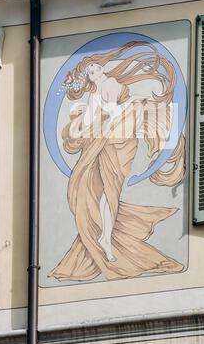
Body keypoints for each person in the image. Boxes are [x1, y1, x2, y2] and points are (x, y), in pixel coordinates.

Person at [50, 41, 185, 281]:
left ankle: (105, 235)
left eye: (95, 69)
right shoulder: (94, 95)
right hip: (110, 140)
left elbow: (108, 113)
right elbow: (96, 118)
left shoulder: (111, 85)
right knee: (104, 191)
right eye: (90, 72)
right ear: (89, 77)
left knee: (109, 192)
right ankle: (105, 237)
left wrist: (126, 107)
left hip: (122, 140)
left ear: (101, 69)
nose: (94, 73)